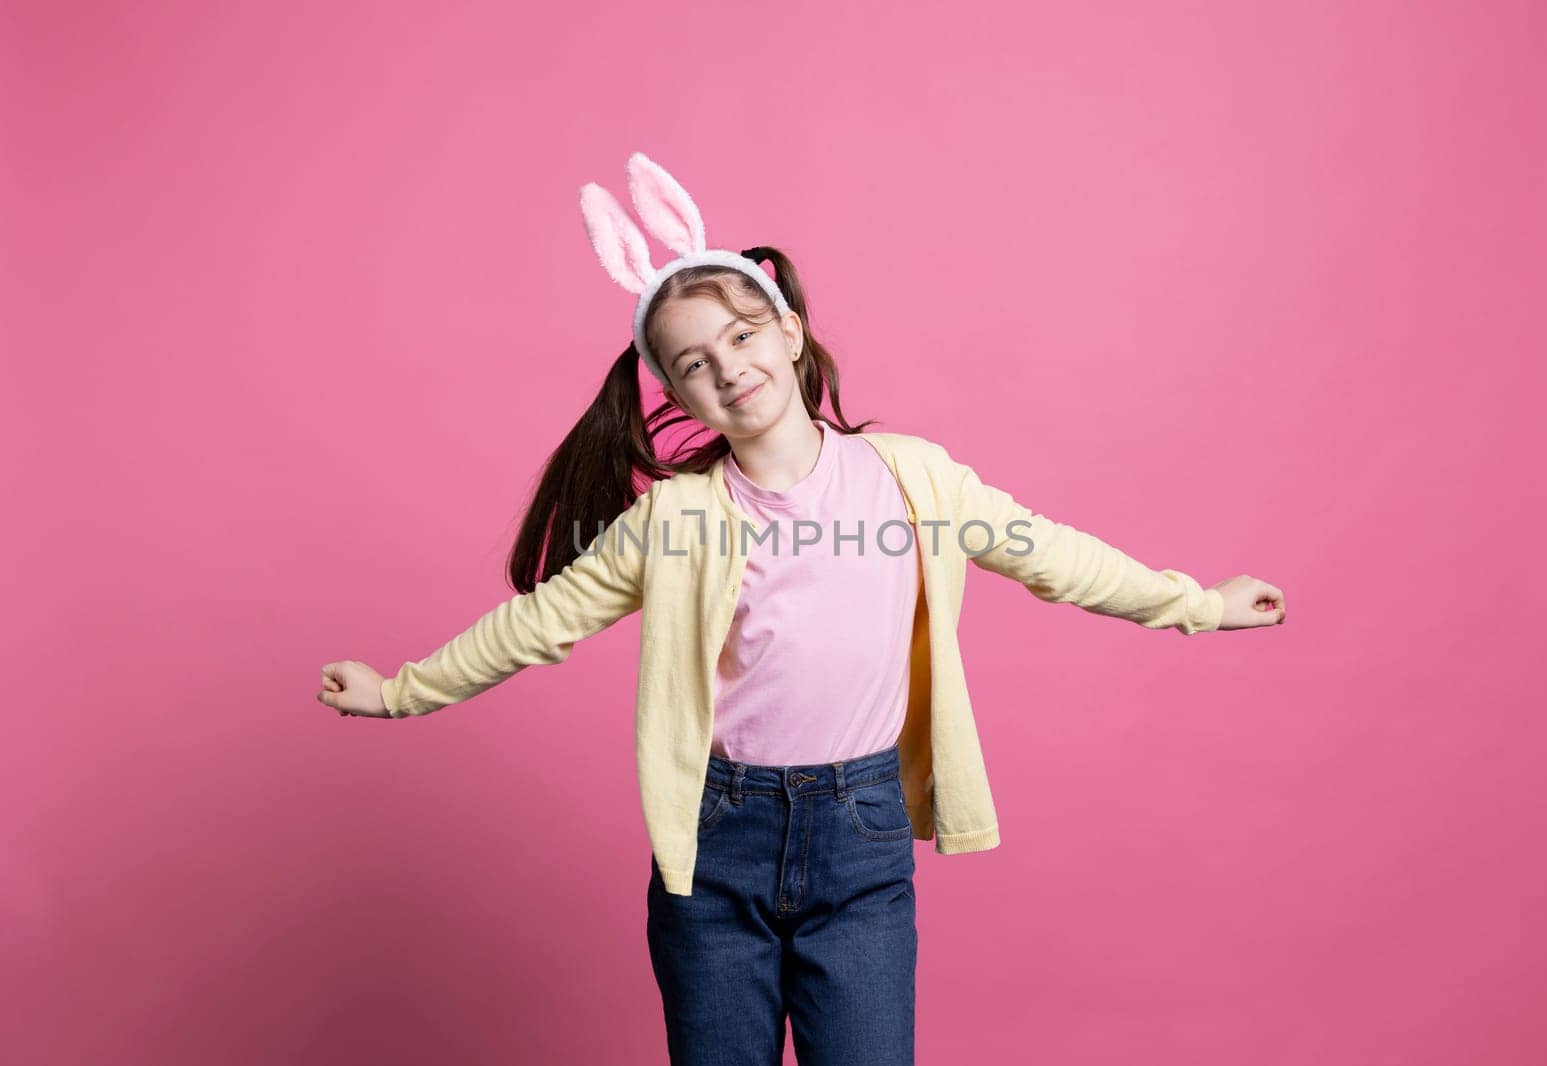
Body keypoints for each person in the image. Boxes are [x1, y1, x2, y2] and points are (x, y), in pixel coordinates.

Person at [316, 152, 1287, 1065]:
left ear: (787, 330)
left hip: (860, 838)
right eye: (694, 362)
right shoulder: (676, 520)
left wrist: (1195, 603)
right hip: (714, 849)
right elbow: (537, 622)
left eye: (741, 335)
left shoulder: (914, 480)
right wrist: (399, 690)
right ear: (678, 393)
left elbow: (1052, 555)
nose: (728, 366)